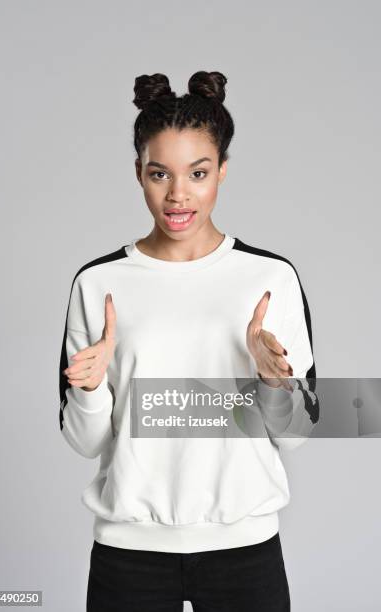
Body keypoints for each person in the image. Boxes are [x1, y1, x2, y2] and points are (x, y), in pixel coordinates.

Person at [59, 71, 319, 612]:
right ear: (138, 173)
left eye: (197, 173)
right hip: (129, 554)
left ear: (222, 171)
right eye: (160, 174)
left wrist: (274, 382)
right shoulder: (98, 284)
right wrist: (87, 390)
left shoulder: (270, 279)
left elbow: (295, 435)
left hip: (244, 550)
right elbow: (86, 443)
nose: (178, 194)